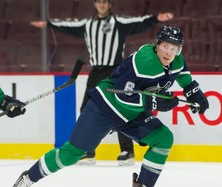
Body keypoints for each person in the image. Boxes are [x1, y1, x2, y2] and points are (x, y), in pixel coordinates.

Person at [10, 25, 209, 187]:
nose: (168, 52)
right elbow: (123, 95)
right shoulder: (144, 62)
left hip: (131, 113)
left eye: (174, 48)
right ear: (157, 45)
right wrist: (155, 103)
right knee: (71, 154)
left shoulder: (176, 60)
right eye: (165, 46)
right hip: (106, 106)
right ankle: (29, 177)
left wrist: (193, 90)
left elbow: (182, 74)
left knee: (163, 138)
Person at [31, 0, 175, 166]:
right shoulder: (88, 24)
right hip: (96, 72)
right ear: (95, 4)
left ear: (110, 4)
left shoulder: (118, 22)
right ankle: (88, 151)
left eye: (105, 2)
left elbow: (138, 22)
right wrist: (49, 24)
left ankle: (127, 151)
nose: (102, 4)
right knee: (86, 107)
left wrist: (156, 18)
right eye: (99, 1)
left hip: (116, 73)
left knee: (122, 109)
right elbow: (67, 25)